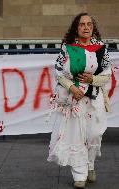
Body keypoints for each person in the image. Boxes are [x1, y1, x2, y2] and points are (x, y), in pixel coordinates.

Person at [47, 13, 112, 189]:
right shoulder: (67, 48)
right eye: (82, 24)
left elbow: (107, 74)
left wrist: (92, 80)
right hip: (74, 99)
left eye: (89, 24)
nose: (86, 27)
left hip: (94, 98)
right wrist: (72, 87)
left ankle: (90, 164)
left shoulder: (101, 49)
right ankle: (80, 174)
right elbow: (59, 72)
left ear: (93, 27)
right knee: (77, 136)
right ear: (77, 27)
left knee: (94, 134)